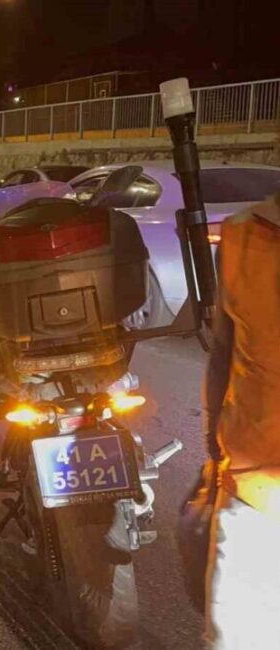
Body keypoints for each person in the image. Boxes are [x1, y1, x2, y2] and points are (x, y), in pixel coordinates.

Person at [202, 192, 280, 648]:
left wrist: (216, 453)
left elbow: (221, 358)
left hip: (253, 489)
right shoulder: (238, 234)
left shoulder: (240, 234)